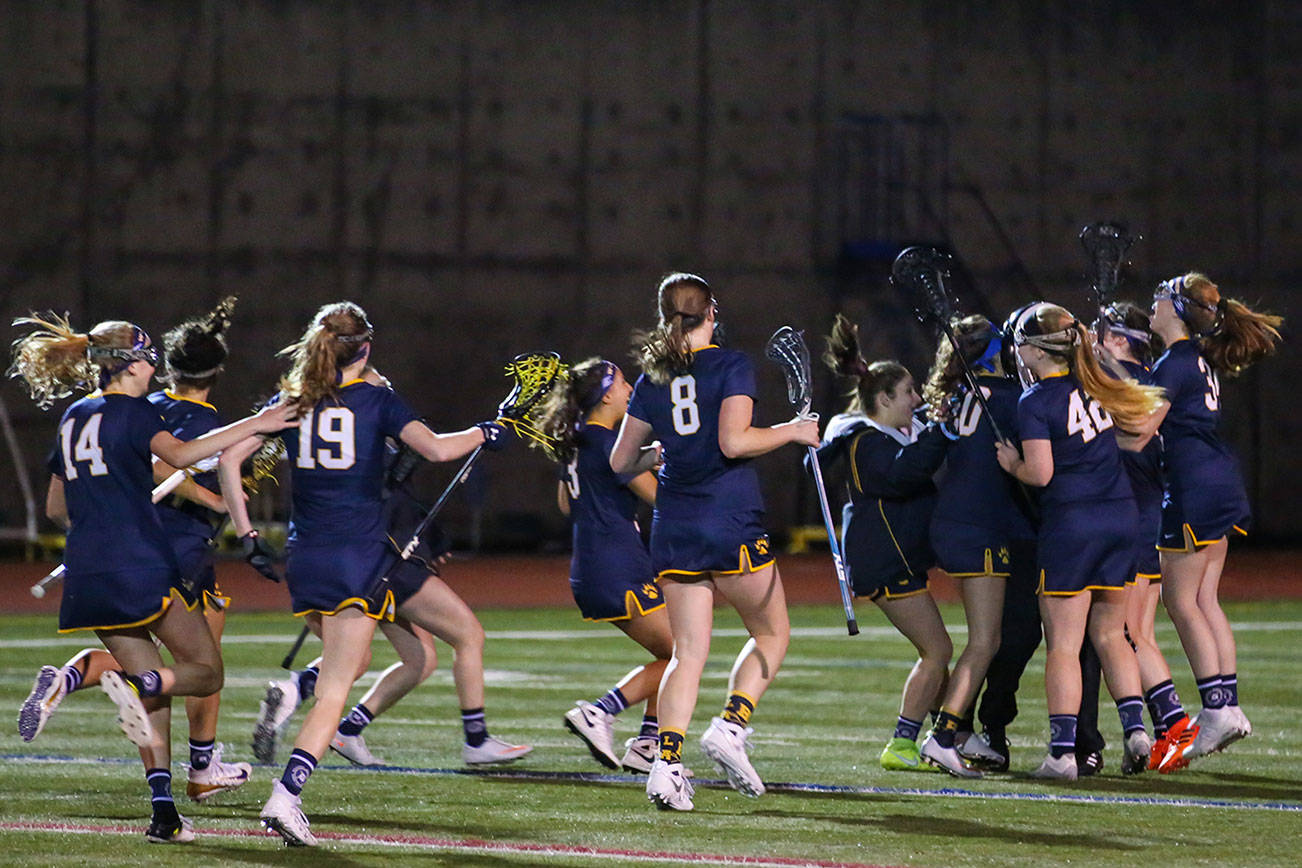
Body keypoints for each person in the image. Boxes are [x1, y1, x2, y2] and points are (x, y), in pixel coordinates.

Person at [218, 302, 502, 846]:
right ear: (366, 348)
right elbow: (439, 449)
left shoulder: (294, 401)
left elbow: (229, 461)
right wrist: (485, 433)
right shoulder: (379, 400)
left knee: (344, 671)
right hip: (357, 556)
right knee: (334, 691)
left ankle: (289, 752)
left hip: (305, 558)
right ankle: (286, 795)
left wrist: (248, 535)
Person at [9, 312, 295, 842]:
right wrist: (258, 424)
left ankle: (164, 814)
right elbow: (185, 456)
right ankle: (132, 682)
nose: (152, 370)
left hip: (87, 574)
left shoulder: (73, 416)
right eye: (147, 361)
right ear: (131, 363)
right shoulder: (135, 412)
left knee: (156, 697)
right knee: (204, 671)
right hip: (137, 566)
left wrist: (105, 514)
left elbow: (56, 507)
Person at [609, 273, 818, 811]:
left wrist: (661, 454)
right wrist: (793, 431)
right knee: (772, 633)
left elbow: (619, 462)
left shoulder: (652, 379)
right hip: (727, 519)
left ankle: (667, 766)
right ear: (712, 312)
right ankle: (730, 726)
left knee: (688, 653)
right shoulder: (731, 364)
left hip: (674, 524)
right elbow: (734, 440)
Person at [251, 373, 532, 770]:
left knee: (413, 658)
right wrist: (485, 432)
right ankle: (477, 739)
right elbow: (421, 466)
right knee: (467, 634)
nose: (383, 379)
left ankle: (328, 714)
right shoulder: (374, 414)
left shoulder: (332, 418)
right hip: (381, 557)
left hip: (335, 556)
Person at [995, 302, 1164, 779]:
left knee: (1065, 646)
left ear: (1032, 349)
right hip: (1121, 519)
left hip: (1073, 526)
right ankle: (1136, 731)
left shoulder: (1035, 401)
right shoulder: (1097, 384)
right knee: (1113, 634)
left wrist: (1011, 464)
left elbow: (1041, 473)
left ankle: (1062, 754)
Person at [1147, 273, 1282, 763]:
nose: (1154, 305)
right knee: (1205, 598)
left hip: (1191, 489)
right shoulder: (1192, 361)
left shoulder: (1176, 362)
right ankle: (1228, 705)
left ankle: (1218, 708)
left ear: (1179, 310)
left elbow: (1141, 430)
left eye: (1161, 299)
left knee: (1180, 601)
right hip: (1218, 484)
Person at [817, 314, 953, 775]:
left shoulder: (888, 435)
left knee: (937, 654)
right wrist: (941, 431)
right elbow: (902, 475)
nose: (917, 400)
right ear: (883, 399)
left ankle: (950, 734)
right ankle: (903, 741)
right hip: (884, 561)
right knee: (937, 652)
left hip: (896, 559)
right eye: (910, 392)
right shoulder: (866, 442)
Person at [533, 357, 675, 773]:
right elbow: (658, 498)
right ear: (608, 393)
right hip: (618, 563)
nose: (630, 390)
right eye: (625, 384)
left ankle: (648, 743)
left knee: (670, 651)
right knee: (681, 655)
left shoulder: (577, 442)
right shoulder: (611, 444)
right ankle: (601, 711)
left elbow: (565, 504)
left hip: (591, 565)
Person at [914, 315, 1025, 777]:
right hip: (981, 528)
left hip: (951, 522)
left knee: (982, 638)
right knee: (986, 641)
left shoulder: (954, 396)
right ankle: (943, 736)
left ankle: (952, 734)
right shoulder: (1011, 399)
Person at [1092, 302, 1200, 772]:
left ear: (1117, 340)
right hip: (1149, 517)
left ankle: (1170, 729)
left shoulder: (1122, 388)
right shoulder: (1152, 382)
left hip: (1130, 520)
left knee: (1124, 634)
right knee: (1140, 634)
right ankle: (1170, 730)